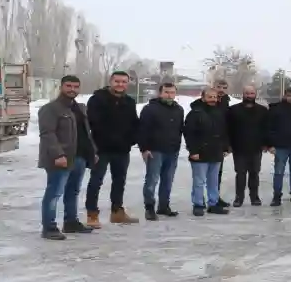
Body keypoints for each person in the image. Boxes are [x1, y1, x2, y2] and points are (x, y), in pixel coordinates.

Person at [37, 75, 97, 239]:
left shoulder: (79, 108)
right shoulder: (50, 109)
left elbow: (86, 133)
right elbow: (47, 134)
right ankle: (49, 227)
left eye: (76, 86)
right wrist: (58, 154)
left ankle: (71, 222)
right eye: (68, 86)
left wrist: (93, 152)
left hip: (79, 157)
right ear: (61, 87)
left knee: (73, 191)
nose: (72, 89)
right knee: (54, 193)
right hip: (60, 158)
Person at [85, 71, 140, 227]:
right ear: (110, 81)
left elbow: (134, 123)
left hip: (122, 150)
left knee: (119, 181)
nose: (120, 84)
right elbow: (93, 122)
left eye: (124, 82)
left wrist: (131, 139)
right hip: (101, 149)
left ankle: (117, 212)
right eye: (117, 81)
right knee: (96, 181)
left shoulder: (129, 101)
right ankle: (92, 214)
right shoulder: (97, 99)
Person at [138, 82, 184, 221]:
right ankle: (149, 208)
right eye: (166, 92)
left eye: (172, 92)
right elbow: (142, 130)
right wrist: (144, 148)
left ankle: (164, 206)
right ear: (160, 93)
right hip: (155, 150)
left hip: (172, 150)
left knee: (168, 180)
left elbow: (180, 128)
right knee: (152, 179)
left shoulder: (179, 109)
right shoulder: (149, 109)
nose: (169, 95)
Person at [184, 88, 231, 216]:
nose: (212, 99)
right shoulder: (195, 113)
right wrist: (193, 151)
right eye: (210, 97)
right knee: (199, 181)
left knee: (213, 181)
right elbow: (189, 134)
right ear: (203, 98)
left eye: (214, 97)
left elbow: (224, 132)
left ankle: (213, 203)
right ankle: (198, 204)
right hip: (200, 152)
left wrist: (225, 147)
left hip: (216, 151)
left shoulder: (219, 112)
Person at [226, 85, 268, 207]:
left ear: (255, 94)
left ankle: (254, 197)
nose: (249, 96)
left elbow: (266, 129)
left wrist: (266, 143)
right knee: (240, 173)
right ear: (243, 94)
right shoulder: (233, 110)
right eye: (247, 93)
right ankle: (239, 198)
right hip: (239, 147)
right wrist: (228, 145)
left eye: (251, 93)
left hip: (256, 147)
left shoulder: (262, 110)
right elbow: (228, 129)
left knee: (254, 173)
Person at [266, 86, 291, 207]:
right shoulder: (275, 109)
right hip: (280, 147)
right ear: (285, 95)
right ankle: (277, 196)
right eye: (289, 95)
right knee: (279, 172)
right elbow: (269, 128)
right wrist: (270, 144)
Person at [214, 79, 232, 208]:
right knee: (204, 174)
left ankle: (215, 196)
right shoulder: (209, 101)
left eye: (224, 87)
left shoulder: (226, 104)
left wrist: (227, 146)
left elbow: (228, 127)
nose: (221, 89)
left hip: (220, 144)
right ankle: (202, 199)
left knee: (217, 173)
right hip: (207, 143)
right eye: (218, 86)